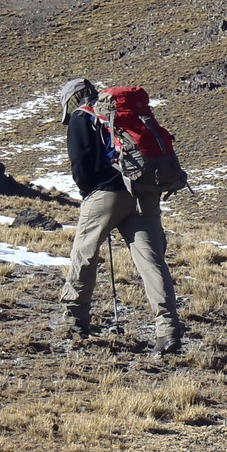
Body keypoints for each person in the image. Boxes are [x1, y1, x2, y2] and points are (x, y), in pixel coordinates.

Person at [55, 78, 183, 356]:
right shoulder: (119, 117)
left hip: (108, 195)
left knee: (84, 252)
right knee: (152, 262)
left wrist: (89, 192)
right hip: (145, 192)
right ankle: (168, 329)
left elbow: (81, 163)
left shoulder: (82, 116)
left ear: (72, 100)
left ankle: (74, 318)